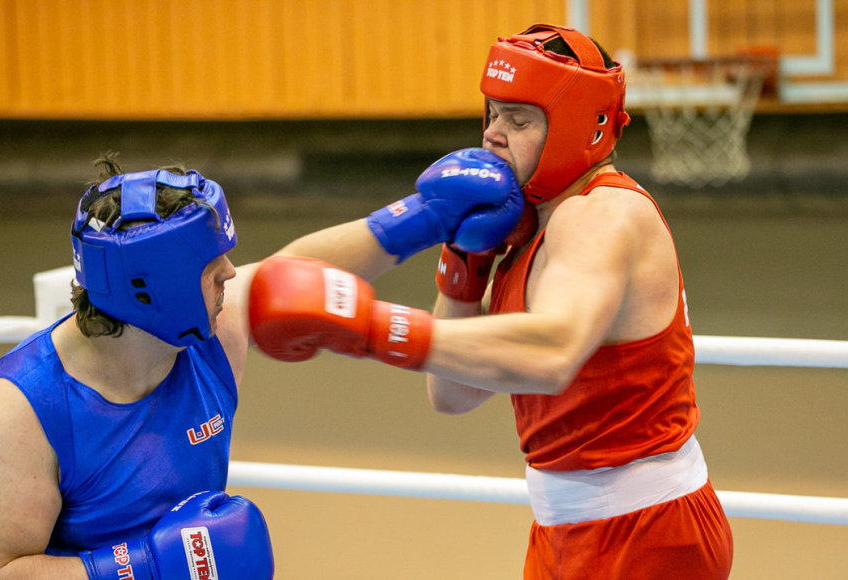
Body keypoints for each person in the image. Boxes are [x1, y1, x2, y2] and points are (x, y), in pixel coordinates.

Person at [247, 24, 733, 579]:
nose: (495, 135)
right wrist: (464, 270)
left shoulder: (600, 215)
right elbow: (452, 393)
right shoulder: (528, 225)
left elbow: (552, 354)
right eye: (494, 114)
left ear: (581, 127)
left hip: (644, 528)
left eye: (519, 120)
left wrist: (374, 328)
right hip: (568, 526)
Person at [0, 148, 525, 579]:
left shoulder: (205, 333)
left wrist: (425, 216)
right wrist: (145, 565)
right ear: (150, 289)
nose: (230, 274)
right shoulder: (18, 414)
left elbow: (293, 275)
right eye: (210, 265)